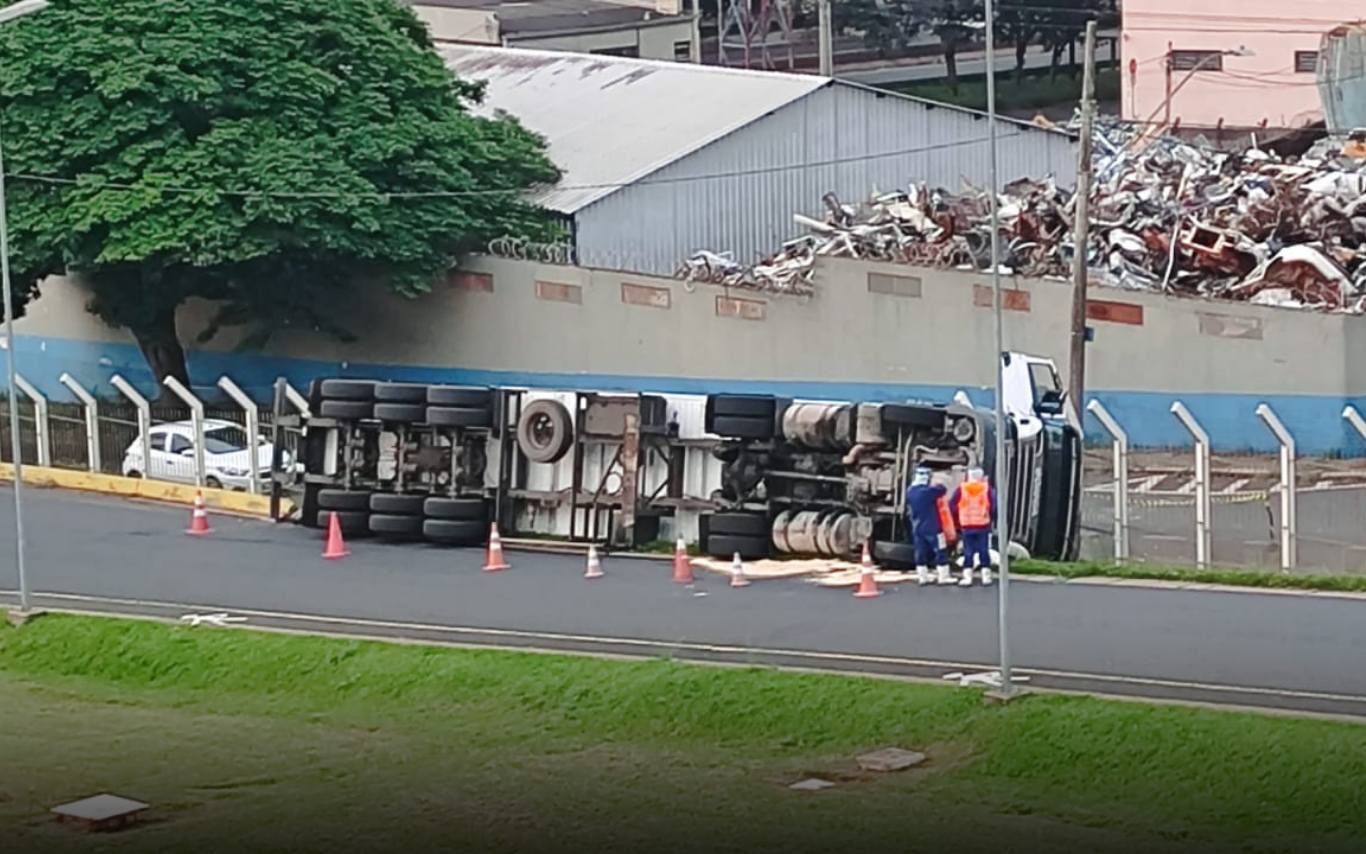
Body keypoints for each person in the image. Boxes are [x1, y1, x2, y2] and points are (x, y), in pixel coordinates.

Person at [950, 466, 997, 587]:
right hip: (982, 524)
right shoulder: (986, 489)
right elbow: (994, 506)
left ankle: (967, 577)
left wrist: (958, 518)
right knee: (983, 550)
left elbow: (952, 506)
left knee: (968, 551)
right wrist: (990, 518)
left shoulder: (962, 489)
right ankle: (986, 576)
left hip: (966, 524)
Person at [905, 466, 949, 585]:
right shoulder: (928, 492)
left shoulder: (910, 492)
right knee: (940, 549)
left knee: (920, 551)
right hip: (933, 526)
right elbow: (942, 490)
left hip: (917, 527)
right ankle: (943, 576)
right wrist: (937, 483)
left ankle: (922, 577)